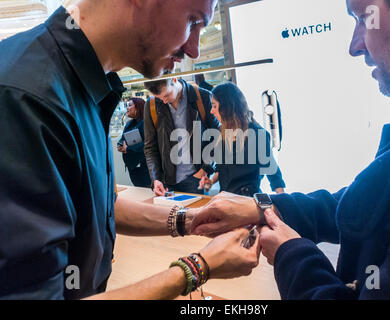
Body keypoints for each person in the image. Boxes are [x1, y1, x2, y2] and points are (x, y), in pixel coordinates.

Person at [0, 0, 259, 300]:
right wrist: (196, 268)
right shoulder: (27, 98)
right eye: (192, 21)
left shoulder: (81, 85)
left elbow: (102, 205)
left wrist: (192, 221)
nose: (194, 50)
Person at [191, 0, 390, 299]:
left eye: (365, 17)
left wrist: (291, 254)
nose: (355, 46)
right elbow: (356, 206)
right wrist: (263, 208)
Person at [198, 82, 286, 196]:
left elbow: (273, 173)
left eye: (214, 106)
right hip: (225, 199)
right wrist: (210, 181)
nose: (211, 111)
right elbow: (224, 169)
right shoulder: (221, 133)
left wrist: (283, 202)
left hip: (247, 201)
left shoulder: (257, 133)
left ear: (227, 107)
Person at [144, 77, 220, 196]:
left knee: (198, 214)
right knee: (170, 215)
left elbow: (218, 137)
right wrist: (156, 179)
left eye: (166, 95)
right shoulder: (151, 105)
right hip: (166, 183)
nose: (164, 101)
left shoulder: (202, 97)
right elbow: (150, 147)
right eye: (159, 98)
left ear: (174, 80)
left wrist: (206, 168)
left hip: (197, 177)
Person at [117, 98, 151, 188]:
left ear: (138, 107)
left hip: (144, 168)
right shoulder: (129, 124)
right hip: (133, 168)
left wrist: (128, 148)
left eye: (130, 105)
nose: (127, 108)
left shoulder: (146, 123)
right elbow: (122, 140)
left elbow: (148, 144)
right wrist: (120, 146)